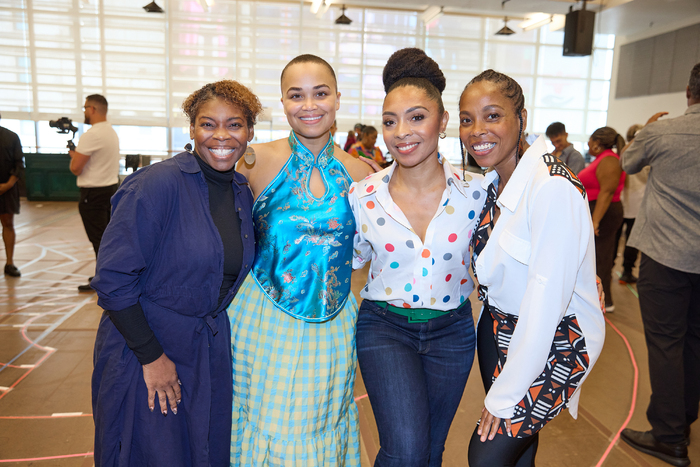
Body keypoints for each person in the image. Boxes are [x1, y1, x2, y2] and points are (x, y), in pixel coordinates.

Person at [90, 80, 261, 466]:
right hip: (145, 348)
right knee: (150, 453)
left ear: (250, 132)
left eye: (234, 125)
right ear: (191, 129)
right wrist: (152, 358)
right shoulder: (156, 185)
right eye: (208, 124)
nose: (221, 135)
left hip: (204, 351)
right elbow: (113, 280)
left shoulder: (240, 191)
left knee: (201, 452)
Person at [228, 54, 373, 466]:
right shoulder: (254, 161)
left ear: (338, 99)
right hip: (261, 321)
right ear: (283, 102)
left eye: (320, 93)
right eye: (297, 95)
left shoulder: (362, 173)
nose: (309, 105)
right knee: (268, 422)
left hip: (332, 325)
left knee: (316, 424)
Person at [460, 70, 605, 466]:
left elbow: (545, 300)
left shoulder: (552, 186)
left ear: (521, 118)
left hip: (555, 340)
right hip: (497, 329)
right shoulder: (496, 182)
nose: (477, 130)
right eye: (467, 118)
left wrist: (505, 396)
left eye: (493, 116)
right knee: (520, 455)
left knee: (487, 454)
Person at [349, 48, 484, 467]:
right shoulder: (364, 195)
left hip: (454, 333)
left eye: (417, 117)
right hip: (385, 329)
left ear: (442, 122)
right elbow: (344, 262)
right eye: (390, 121)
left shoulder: (478, 192)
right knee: (406, 449)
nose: (401, 132)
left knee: (430, 450)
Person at [619, 62, 700, 467]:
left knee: (666, 344)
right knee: (694, 342)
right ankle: (683, 419)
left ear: (689, 91)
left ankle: (669, 437)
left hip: (666, 256)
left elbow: (628, 163)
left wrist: (644, 130)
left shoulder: (663, 132)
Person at [68, 94, 121, 292]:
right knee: (106, 237)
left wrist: (73, 158)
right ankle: (105, 275)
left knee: (98, 238)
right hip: (109, 190)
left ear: (92, 109)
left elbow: (76, 168)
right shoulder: (110, 132)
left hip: (93, 194)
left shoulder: (92, 134)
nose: (84, 112)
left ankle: (104, 279)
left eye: (85, 108)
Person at [577, 127, 626, 312]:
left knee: (600, 257)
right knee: (597, 256)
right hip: (597, 210)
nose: (588, 144)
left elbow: (607, 193)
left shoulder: (609, 161)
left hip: (603, 213)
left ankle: (604, 302)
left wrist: (595, 221)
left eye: (589, 140)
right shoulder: (602, 159)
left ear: (596, 142)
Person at [614, 123, 647, 284]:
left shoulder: (626, 153)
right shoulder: (632, 155)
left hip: (633, 204)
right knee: (629, 241)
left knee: (627, 241)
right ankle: (625, 272)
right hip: (627, 203)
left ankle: (623, 272)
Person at [0, 114, 24, 277]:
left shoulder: (11, 137)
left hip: (7, 188)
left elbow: (19, 163)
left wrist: (8, 184)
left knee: (8, 223)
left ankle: (10, 263)